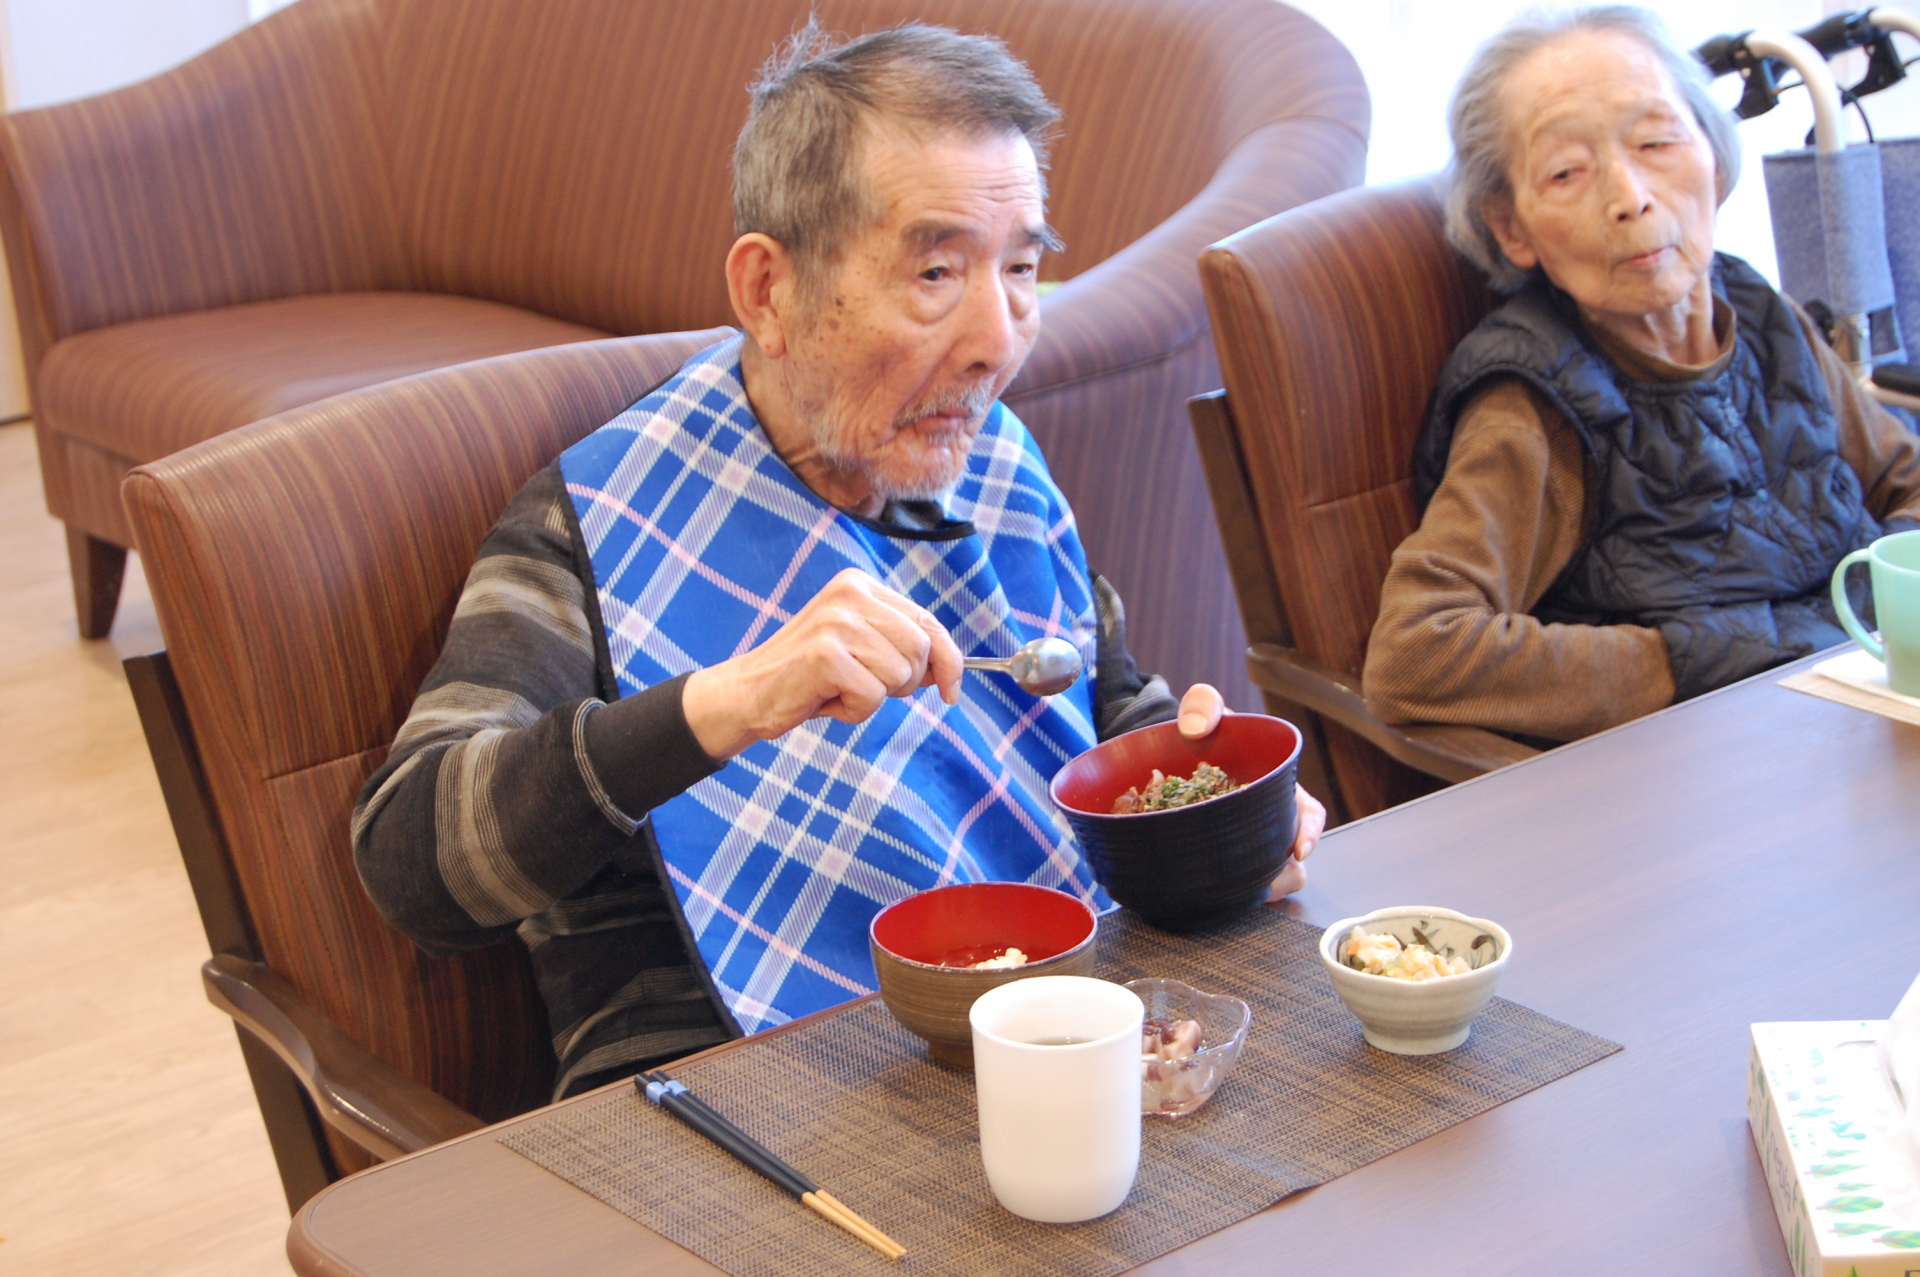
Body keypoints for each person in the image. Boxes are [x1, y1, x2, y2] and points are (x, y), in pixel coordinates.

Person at [352, 23, 1324, 1099]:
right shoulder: (601, 518)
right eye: (936, 270)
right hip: (724, 1088)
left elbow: (1100, 702)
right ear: (769, 292)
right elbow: (413, 863)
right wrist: (731, 699)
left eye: (1021, 268)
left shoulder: (989, 458)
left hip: (1035, 1020)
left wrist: (1211, 796)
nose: (997, 339)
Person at [1363, 6, 1920, 744]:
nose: (1630, 198)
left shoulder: (1762, 315)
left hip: (1860, 715)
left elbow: (1905, 482)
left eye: (1656, 141)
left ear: (1714, 157)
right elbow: (1418, 653)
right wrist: (1691, 662)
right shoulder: (1533, 406)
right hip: (1711, 763)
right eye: (1567, 172)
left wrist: (1885, 606)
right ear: (1512, 228)